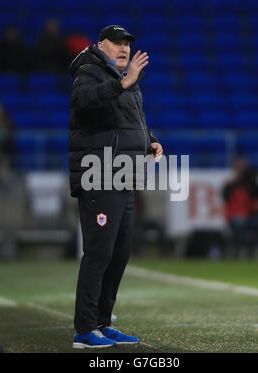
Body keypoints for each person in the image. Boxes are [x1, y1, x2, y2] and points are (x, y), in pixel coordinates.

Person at [68, 25, 163, 348]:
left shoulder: (126, 80)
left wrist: (149, 141)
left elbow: (132, 120)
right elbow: (83, 102)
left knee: (120, 253)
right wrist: (123, 82)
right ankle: (84, 330)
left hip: (124, 174)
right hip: (99, 173)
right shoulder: (89, 71)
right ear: (101, 45)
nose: (124, 48)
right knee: (99, 252)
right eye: (117, 43)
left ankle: (102, 323)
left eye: (127, 44)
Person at [222, 158, 258, 258]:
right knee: (239, 223)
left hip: (249, 215)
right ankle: (236, 252)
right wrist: (238, 182)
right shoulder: (230, 185)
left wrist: (252, 183)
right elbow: (225, 197)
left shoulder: (250, 184)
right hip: (235, 216)